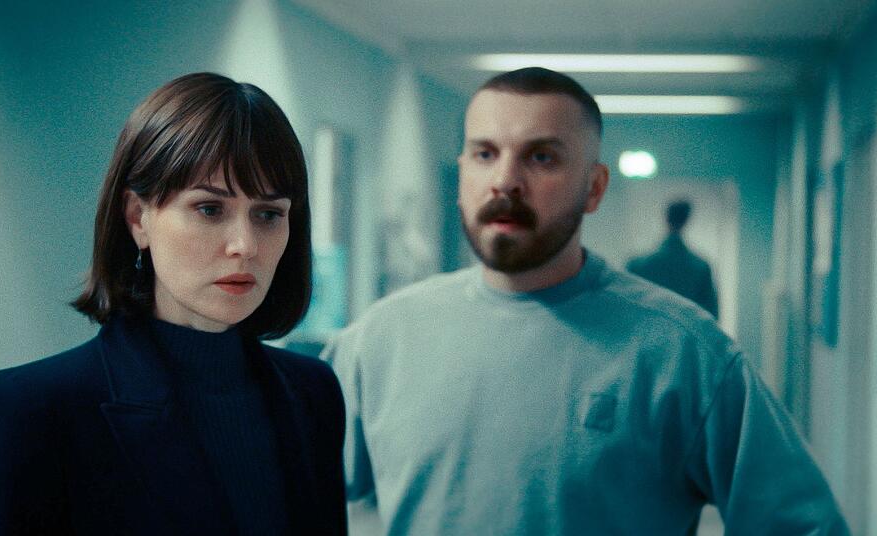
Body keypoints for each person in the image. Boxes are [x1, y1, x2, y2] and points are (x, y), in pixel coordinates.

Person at [322, 67, 848, 534]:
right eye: (485, 154)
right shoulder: (379, 341)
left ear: (594, 188)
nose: (505, 181)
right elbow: (292, 499)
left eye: (541, 157)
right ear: (462, 173)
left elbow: (804, 525)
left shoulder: (686, 354)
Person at [0, 72, 346, 535]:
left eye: (268, 214)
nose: (244, 245)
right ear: (137, 218)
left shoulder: (314, 393)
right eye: (210, 209)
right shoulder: (32, 409)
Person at [627, 199, 719, 318]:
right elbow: (711, 315)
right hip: (685, 328)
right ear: (686, 221)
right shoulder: (700, 267)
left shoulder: (637, 265)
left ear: (666, 218)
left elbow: (627, 309)